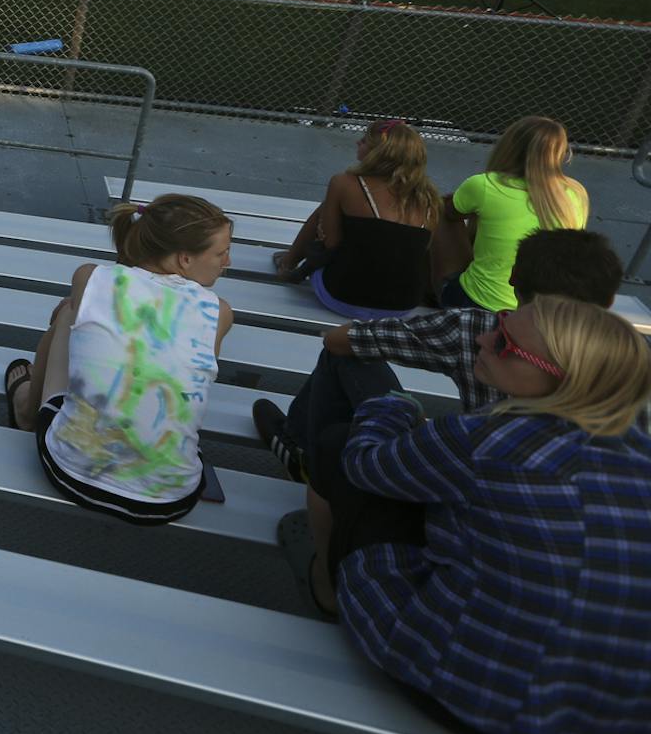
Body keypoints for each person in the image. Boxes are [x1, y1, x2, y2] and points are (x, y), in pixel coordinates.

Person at [284, 296, 651, 734]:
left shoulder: (486, 440)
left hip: (466, 686)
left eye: (504, 344)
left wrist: (394, 409)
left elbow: (364, 464)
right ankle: (296, 445)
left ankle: (325, 581)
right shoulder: (637, 448)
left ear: (559, 379)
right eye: (499, 326)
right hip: (601, 719)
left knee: (341, 440)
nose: (483, 338)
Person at [253, 226, 628, 487]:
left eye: (502, 343)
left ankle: (303, 451)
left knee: (345, 374)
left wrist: (401, 413)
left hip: (462, 478)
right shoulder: (630, 368)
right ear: (609, 301)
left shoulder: (473, 331)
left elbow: (339, 341)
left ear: (514, 281)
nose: (489, 340)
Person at [3, 196, 235, 525]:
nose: (227, 261)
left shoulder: (90, 277)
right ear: (184, 259)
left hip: (72, 474)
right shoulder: (220, 313)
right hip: (170, 500)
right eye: (221, 252)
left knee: (69, 314)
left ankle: (26, 410)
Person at [272, 119, 439, 319]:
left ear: (378, 153)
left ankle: (288, 264)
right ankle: (290, 261)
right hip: (401, 306)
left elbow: (331, 243)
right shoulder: (430, 199)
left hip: (342, 297)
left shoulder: (344, 182)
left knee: (325, 208)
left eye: (364, 141)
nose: (357, 143)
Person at [440, 115, 588, 312]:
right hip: (539, 310)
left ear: (508, 146)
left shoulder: (484, 184)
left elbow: (449, 213)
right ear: (561, 153)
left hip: (478, 302)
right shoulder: (575, 193)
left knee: (439, 213)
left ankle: (433, 292)